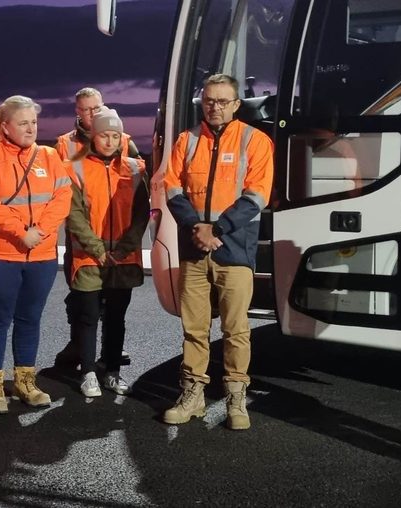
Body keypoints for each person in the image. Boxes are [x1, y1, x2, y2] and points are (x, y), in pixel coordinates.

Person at [162, 74, 274, 431]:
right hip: (194, 248)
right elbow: (172, 187)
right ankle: (193, 395)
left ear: (236, 105)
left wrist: (217, 229)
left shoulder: (254, 140)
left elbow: (257, 195)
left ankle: (235, 399)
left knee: (236, 329)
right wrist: (196, 227)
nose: (215, 107)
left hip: (234, 249)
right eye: (209, 100)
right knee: (194, 328)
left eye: (223, 101)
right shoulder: (187, 140)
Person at [0, 95, 72, 414]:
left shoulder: (50, 156)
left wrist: (40, 231)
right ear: (5, 127)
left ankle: (25, 383)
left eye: (34, 122)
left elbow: (63, 196)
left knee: (30, 319)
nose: (31, 128)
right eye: (23, 123)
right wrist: (20, 232)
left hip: (41, 254)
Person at [64, 108, 148, 397]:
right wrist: (98, 249)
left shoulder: (135, 170)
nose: (110, 141)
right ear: (93, 137)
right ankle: (88, 372)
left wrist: (123, 249)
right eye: (104, 135)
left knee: (116, 318)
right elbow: (74, 215)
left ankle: (112, 371)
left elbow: (142, 214)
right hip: (89, 257)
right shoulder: (76, 168)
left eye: (115, 135)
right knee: (88, 316)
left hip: (123, 258)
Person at [54, 87, 139, 370]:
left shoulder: (124, 140)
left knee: (113, 303)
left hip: (117, 240)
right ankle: (79, 346)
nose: (92, 113)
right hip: (81, 239)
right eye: (86, 109)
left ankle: (109, 351)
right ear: (77, 112)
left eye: (96, 108)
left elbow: (136, 183)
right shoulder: (64, 144)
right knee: (82, 300)